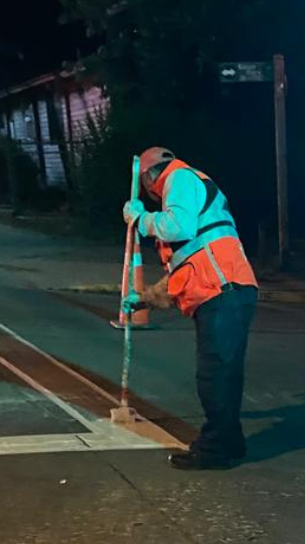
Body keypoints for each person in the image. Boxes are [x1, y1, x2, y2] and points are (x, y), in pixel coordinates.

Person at [123, 147, 258, 470]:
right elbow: (182, 271)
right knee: (225, 375)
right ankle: (230, 441)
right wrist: (142, 299)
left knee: (214, 376)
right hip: (227, 290)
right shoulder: (189, 187)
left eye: (145, 185)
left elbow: (177, 228)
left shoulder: (179, 178)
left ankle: (214, 450)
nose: (149, 194)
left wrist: (141, 219)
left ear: (150, 175)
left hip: (222, 291)